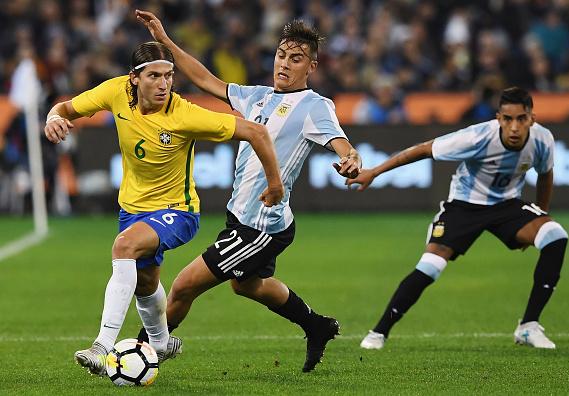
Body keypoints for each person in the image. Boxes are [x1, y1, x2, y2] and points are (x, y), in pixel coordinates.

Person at [135, 10, 362, 372]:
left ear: (312, 67)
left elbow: (342, 143)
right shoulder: (256, 96)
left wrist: (351, 158)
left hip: (259, 226)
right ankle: (315, 325)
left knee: (182, 286)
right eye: (281, 55)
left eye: (296, 59)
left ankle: (141, 353)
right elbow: (205, 79)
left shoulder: (314, 106)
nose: (284, 64)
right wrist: (164, 41)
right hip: (243, 215)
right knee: (248, 285)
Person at [44, 41, 283, 376]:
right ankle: (159, 342)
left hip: (179, 211)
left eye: (169, 75)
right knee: (145, 282)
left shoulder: (184, 114)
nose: (163, 83)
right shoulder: (115, 92)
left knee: (123, 246)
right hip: (132, 209)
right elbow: (65, 108)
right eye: (154, 76)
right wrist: (52, 119)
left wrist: (275, 184)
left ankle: (102, 345)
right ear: (134, 79)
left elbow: (256, 132)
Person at [347, 87, 568, 350]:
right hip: (464, 206)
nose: (514, 127)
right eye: (508, 119)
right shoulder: (477, 137)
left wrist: (540, 216)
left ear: (531, 119)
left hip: (507, 206)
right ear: (498, 118)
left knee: (555, 235)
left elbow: (545, 175)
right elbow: (423, 150)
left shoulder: (543, 139)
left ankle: (528, 327)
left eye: (521, 119)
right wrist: (375, 172)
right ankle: (378, 333)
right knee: (430, 266)